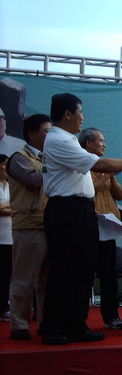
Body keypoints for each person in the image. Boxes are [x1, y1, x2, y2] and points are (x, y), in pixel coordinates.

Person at [40, 93, 122, 346]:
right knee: (65, 269)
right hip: (66, 210)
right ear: (67, 114)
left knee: (83, 269)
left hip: (80, 209)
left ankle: (74, 324)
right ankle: (54, 326)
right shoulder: (59, 140)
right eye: (80, 112)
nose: (82, 118)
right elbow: (99, 164)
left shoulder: (67, 139)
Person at [6, 114, 51, 340]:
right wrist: (54, 165)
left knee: (47, 281)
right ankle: (19, 325)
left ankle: (46, 323)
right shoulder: (19, 158)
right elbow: (32, 180)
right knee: (24, 279)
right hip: (29, 226)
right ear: (32, 134)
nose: (50, 136)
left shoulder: (47, 158)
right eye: (46, 132)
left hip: (49, 224)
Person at [79, 128, 122, 330]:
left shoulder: (104, 168)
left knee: (109, 274)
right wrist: (107, 175)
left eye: (104, 140)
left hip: (107, 227)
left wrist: (111, 177)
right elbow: (90, 190)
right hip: (88, 226)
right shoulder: (82, 165)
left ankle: (111, 317)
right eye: (100, 140)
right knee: (85, 274)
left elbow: (120, 195)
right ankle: (79, 320)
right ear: (88, 144)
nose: (104, 144)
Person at [0, 154, 11, 322]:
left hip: (10, 236)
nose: (7, 168)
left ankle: (5, 306)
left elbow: (18, 205)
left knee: (8, 273)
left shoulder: (12, 186)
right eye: (4, 164)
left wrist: (7, 206)